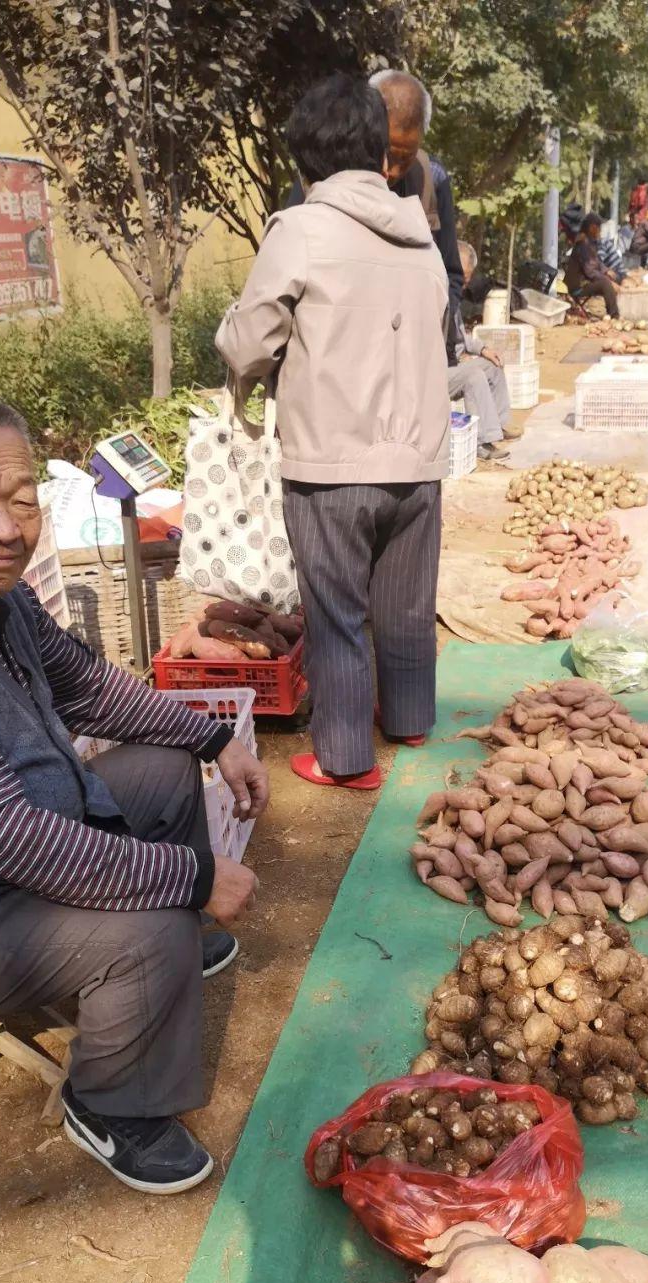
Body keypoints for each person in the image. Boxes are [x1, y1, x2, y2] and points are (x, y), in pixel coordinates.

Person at [0, 386, 268, 1194]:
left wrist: (212, 736)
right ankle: (112, 1106)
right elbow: (17, 842)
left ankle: (161, 958)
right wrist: (193, 880)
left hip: (16, 842)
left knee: (159, 768)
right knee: (151, 921)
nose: (5, 528)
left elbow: (86, 684)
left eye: (23, 500)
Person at [216, 75, 449, 792]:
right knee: (406, 604)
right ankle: (408, 717)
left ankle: (346, 757)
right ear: (380, 150)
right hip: (419, 458)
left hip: (332, 463)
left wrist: (241, 350)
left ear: (305, 156)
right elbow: (436, 329)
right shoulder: (419, 233)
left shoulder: (302, 230)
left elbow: (251, 338)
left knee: (338, 612)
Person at [286, 70, 462, 362]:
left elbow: (450, 276)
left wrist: (429, 341)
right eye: (386, 153)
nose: (390, 171)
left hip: (410, 361)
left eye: (404, 158)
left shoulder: (433, 179)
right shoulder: (320, 177)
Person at [449, 241, 519, 461]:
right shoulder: (437, 297)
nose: (466, 282)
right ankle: (482, 442)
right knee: (474, 376)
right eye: (464, 276)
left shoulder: (453, 297)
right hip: (434, 372)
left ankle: (498, 425)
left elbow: (461, 337)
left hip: (453, 364)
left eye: (468, 277)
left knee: (493, 364)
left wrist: (483, 349)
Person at [563, 213, 621, 319]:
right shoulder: (583, 244)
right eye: (599, 227)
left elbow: (596, 262)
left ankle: (613, 313)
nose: (600, 231)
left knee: (610, 278)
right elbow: (590, 271)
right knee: (605, 283)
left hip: (584, 283)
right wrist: (609, 281)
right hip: (577, 287)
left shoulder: (589, 242)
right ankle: (614, 316)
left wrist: (607, 271)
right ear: (592, 227)